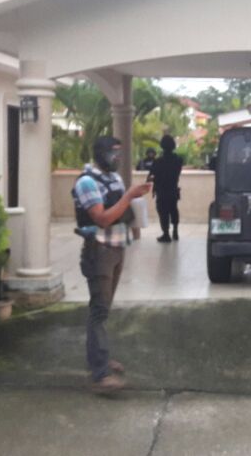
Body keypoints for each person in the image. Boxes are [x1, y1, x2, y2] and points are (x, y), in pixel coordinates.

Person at [72, 136, 151, 394]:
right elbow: (103, 218)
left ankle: (99, 358)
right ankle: (100, 375)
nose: (117, 158)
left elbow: (120, 211)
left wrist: (133, 204)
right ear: (100, 153)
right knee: (99, 310)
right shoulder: (87, 182)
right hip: (99, 250)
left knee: (103, 308)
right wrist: (129, 196)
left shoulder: (114, 179)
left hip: (116, 248)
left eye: (120, 153)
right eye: (113, 153)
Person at [149, 134, 183, 243]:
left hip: (162, 190)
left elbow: (151, 176)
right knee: (173, 209)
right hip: (173, 189)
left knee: (163, 212)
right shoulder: (178, 160)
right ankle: (175, 231)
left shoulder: (158, 161)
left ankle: (166, 234)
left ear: (162, 146)